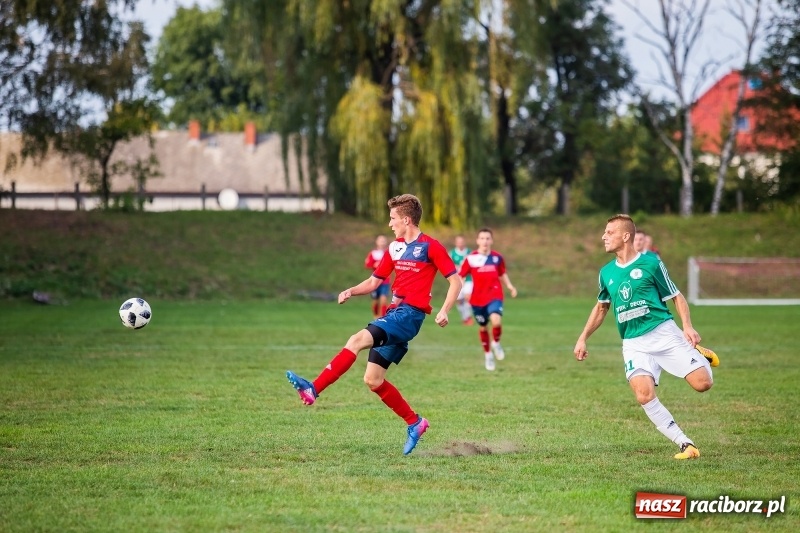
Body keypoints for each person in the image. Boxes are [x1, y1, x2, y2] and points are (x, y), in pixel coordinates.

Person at [286, 194, 462, 455]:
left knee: (356, 340)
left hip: (408, 316)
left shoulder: (431, 247)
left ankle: (313, 389)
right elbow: (374, 281)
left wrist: (445, 310)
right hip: (396, 314)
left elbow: (455, 281)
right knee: (372, 379)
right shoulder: (395, 248)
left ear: (406, 219)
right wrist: (351, 291)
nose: (390, 224)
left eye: (392, 219)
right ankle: (415, 423)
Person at [573, 214, 720, 460]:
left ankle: (697, 353)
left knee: (703, 384)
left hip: (664, 334)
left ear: (626, 236)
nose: (604, 237)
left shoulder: (651, 264)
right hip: (633, 343)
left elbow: (676, 296)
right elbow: (601, 307)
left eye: (609, 232)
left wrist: (687, 326)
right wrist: (582, 338)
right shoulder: (606, 273)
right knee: (643, 395)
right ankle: (686, 444)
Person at [458, 228, 518, 371]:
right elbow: (461, 276)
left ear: (491, 240)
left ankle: (496, 343)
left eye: (487, 238)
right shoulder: (471, 258)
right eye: (482, 238)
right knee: (483, 326)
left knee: (496, 320)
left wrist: (510, 286)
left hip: (495, 295)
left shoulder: (497, 258)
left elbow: (502, 274)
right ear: (478, 241)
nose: (485, 241)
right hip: (477, 299)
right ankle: (488, 355)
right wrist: (457, 290)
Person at [449, 235, 474, 325]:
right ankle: (465, 318)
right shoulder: (452, 253)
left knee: (468, 297)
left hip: (468, 279)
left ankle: (468, 317)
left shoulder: (469, 253)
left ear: (464, 242)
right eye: (458, 242)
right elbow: (448, 266)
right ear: (456, 243)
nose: (460, 243)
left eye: (462, 242)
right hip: (457, 280)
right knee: (459, 300)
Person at [365, 235, 391, 318]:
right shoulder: (373, 253)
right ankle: (375, 316)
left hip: (385, 281)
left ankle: (382, 317)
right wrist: (374, 264)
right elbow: (367, 264)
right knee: (375, 301)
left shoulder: (388, 253)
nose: (382, 243)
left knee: (383, 299)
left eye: (383, 241)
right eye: (380, 241)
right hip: (375, 281)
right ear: (377, 242)